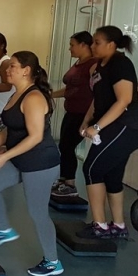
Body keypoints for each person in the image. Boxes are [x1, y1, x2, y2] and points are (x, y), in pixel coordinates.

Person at [0, 51, 63, 276]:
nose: (8, 70)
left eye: (13, 66)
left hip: (40, 163)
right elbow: (10, 131)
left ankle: (53, 262)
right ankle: (4, 229)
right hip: (20, 158)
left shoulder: (34, 97)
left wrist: (5, 155)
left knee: (38, 213)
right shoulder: (16, 94)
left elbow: (35, 136)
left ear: (26, 70)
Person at [77, 25, 138, 240]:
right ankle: (118, 225)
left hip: (130, 124)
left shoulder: (121, 64)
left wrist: (97, 127)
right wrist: (86, 121)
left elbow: (124, 100)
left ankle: (100, 225)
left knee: (92, 168)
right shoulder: (98, 66)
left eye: (97, 42)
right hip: (116, 126)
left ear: (111, 45)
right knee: (111, 173)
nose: (92, 46)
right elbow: (97, 99)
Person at [50, 31, 100, 198]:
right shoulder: (78, 63)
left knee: (67, 146)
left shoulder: (93, 65)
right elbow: (70, 89)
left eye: (72, 45)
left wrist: (90, 118)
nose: (69, 48)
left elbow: (98, 91)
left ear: (83, 45)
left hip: (83, 114)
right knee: (64, 146)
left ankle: (70, 184)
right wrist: (50, 95)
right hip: (71, 112)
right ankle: (64, 180)